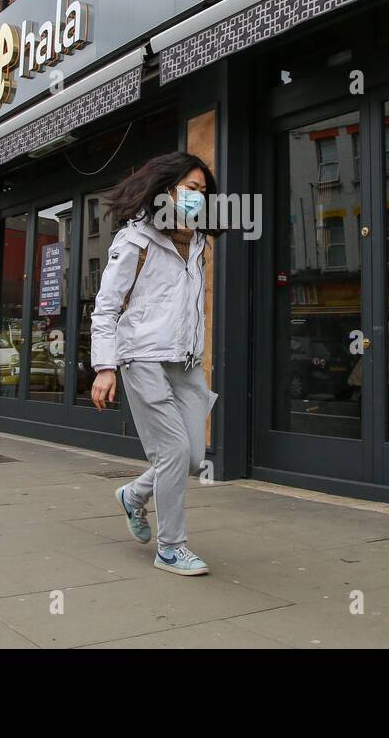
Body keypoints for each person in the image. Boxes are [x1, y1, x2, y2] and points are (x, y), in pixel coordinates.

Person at [90, 152, 221, 577]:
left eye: (203, 192)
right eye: (192, 189)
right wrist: (105, 367)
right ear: (167, 190)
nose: (199, 199)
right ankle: (171, 547)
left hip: (184, 361)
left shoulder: (199, 242)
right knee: (172, 451)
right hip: (142, 357)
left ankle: (133, 495)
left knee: (193, 458)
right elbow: (106, 308)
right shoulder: (135, 241)